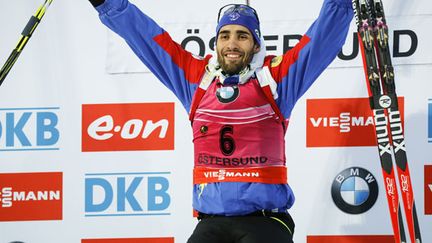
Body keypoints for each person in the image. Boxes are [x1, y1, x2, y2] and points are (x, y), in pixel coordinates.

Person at [88, 0, 353, 242]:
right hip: (211, 224)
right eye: (225, 36)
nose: (232, 44)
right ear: (216, 44)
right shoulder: (196, 80)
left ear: (256, 44)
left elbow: (321, 40)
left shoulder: (276, 79)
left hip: (265, 222)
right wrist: (106, 4)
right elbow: (147, 37)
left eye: (242, 36)